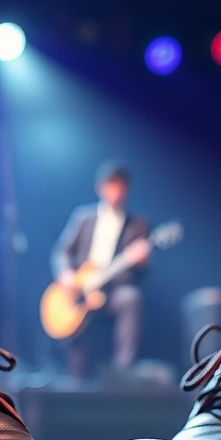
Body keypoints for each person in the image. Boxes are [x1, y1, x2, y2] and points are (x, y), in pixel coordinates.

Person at [51, 161, 151, 378]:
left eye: (120, 185)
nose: (116, 191)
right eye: (111, 185)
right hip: (80, 290)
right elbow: (61, 252)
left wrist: (141, 261)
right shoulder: (83, 218)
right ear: (101, 188)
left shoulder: (138, 224)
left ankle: (123, 372)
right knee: (75, 326)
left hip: (114, 289)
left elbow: (144, 273)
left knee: (131, 298)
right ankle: (75, 379)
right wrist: (66, 274)